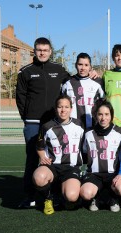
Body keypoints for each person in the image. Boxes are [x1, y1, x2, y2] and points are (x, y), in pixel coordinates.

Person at [16, 37, 98, 208]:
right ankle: (30, 196)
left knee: (59, 157)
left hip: (55, 123)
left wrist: (93, 72)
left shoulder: (59, 70)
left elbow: (77, 79)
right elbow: (20, 98)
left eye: (45, 50)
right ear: (35, 50)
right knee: (33, 158)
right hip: (33, 122)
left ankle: (56, 192)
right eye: (39, 50)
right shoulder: (26, 71)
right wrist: (27, 116)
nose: (42, 53)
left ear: (50, 51)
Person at [33, 95, 85, 215]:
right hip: (53, 166)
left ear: (71, 109)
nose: (63, 110)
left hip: (71, 167)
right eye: (60, 107)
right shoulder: (47, 126)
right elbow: (39, 147)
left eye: (66, 107)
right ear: (55, 109)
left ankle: (66, 194)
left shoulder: (79, 125)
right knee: (39, 177)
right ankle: (48, 199)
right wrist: (42, 156)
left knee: (71, 197)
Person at [80, 100, 121, 212]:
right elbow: (83, 153)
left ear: (111, 115)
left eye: (107, 114)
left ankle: (113, 198)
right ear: (95, 115)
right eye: (100, 114)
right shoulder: (88, 133)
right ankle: (96, 197)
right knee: (85, 193)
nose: (103, 118)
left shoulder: (120, 132)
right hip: (94, 174)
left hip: (113, 174)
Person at [62, 52, 104, 130]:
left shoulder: (98, 82)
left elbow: (104, 104)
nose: (83, 68)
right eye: (80, 64)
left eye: (86, 65)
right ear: (75, 65)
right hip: (72, 127)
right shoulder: (67, 83)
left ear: (90, 67)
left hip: (93, 127)